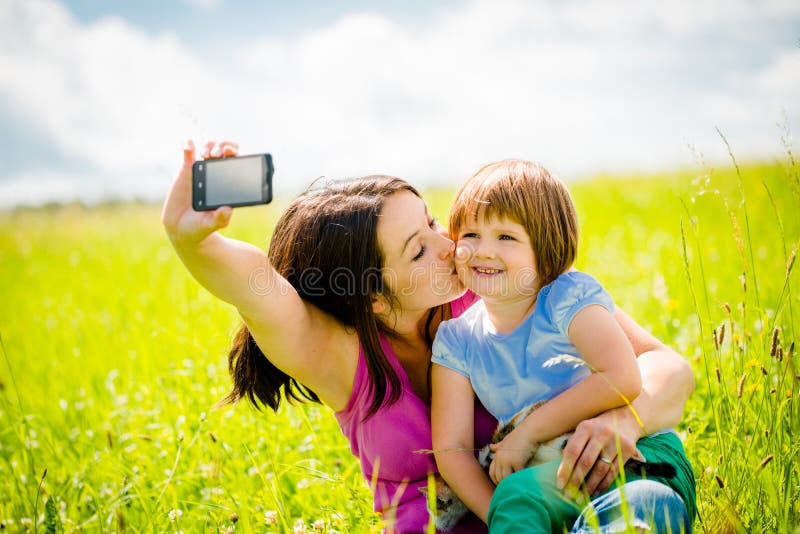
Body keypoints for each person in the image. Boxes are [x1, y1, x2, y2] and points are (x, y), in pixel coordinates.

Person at [162, 140, 696, 533]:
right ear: (371, 296)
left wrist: (622, 416)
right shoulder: (338, 355)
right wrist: (193, 245)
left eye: (434, 222)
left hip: (577, 491)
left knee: (643, 511)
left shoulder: (495, 286)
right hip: (488, 523)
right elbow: (259, 288)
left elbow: (666, 367)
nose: (451, 246)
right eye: (417, 250)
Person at [430, 159, 695, 533]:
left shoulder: (566, 299)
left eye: (506, 237)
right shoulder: (456, 341)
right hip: (552, 479)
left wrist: (528, 433)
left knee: (641, 506)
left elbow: (622, 376)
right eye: (470, 235)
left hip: (637, 458)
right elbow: (451, 450)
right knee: (517, 499)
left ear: (546, 248)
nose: (483, 251)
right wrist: (506, 512)